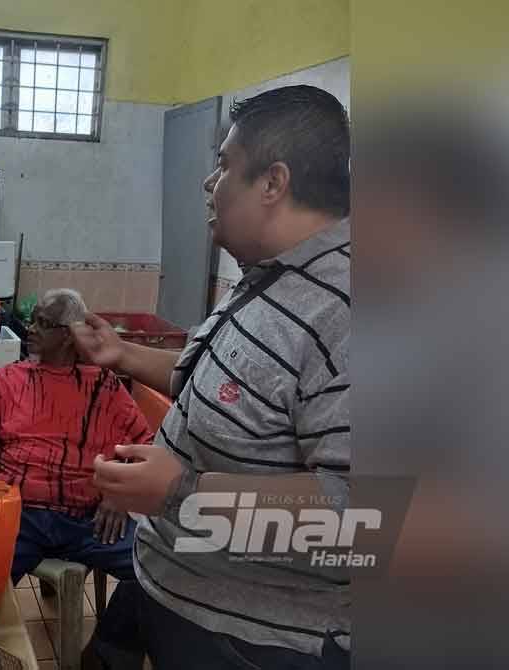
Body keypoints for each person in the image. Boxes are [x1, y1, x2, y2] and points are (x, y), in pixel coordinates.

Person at [73, 86, 352, 669]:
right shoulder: (274, 276)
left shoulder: (348, 311)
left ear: (273, 184)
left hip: (249, 641)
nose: (209, 182)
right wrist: (121, 354)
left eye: (224, 165)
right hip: (168, 580)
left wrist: (180, 492)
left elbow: (363, 521)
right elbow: (228, 393)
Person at [0, 289, 153, 585]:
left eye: (43, 323)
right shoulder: (9, 380)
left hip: (89, 519)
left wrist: (119, 495)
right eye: (32, 321)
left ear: (68, 335)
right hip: (17, 513)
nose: (31, 329)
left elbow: (146, 446)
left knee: (155, 570)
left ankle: (112, 631)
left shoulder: (105, 387)